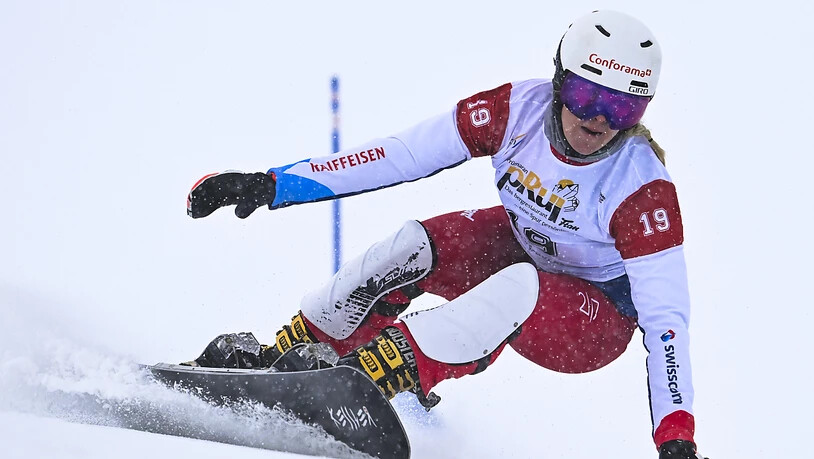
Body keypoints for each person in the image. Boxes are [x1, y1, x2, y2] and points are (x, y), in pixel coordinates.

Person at [184, 11, 706, 459]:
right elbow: (400, 155)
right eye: (587, 95)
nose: (600, 120)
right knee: (415, 245)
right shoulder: (513, 112)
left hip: (592, 323)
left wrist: (675, 437)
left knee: (520, 284)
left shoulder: (643, 191)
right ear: (559, 81)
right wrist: (274, 184)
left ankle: (371, 376)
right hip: (526, 254)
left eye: (623, 107)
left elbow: (666, 322)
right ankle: (290, 355)